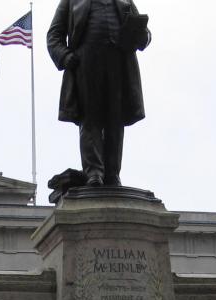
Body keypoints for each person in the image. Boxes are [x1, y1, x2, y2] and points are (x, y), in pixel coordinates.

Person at [47, 0, 151, 187]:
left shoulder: (124, 1)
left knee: (115, 120)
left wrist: (141, 35)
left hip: (119, 64)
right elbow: (54, 35)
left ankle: (112, 173)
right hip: (86, 63)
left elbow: (145, 34)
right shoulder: (71, 2)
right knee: (90, 118)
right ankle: (94, 172)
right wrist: (64, 55)